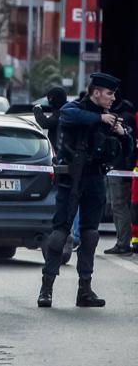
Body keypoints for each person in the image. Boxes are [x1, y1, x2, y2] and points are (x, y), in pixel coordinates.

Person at [38, 72, 133, 308]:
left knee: (90, 234)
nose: (112, 99)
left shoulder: (108, 117)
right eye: (109, 94)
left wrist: (123, 134)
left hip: (94, 179)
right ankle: (46, 289)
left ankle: (85, 290)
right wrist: (100, 120)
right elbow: (67, 116)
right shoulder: (76, 108)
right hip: (71, 179)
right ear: (97, 91)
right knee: (60, 233)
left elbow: (127, 150)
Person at [33, 87, 80, 253]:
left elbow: (45, 123)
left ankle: (74, 237)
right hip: (63, 161)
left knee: (70, 200)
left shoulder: (63, 113)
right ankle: (64, 236)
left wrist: (37, 111)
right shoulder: (66, 110)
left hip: (65, 162)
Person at [103, 99, 136, 256]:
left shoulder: (123, 118)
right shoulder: (125, 115)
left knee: (119, 205)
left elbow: (125, 146)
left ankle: (123, 243)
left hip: (120, 168)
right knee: (118, 206)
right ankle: (122, 242)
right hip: (119, 168)